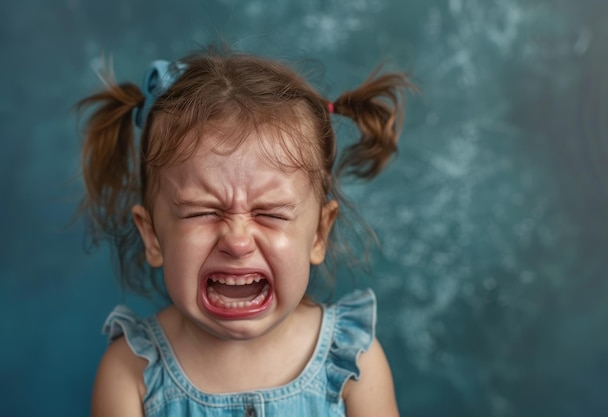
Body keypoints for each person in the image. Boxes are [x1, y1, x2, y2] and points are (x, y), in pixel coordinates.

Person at [78, 43, 414, 417]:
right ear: (153, 236)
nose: (237, 241)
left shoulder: (354, 362)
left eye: (270, 213)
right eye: (202, 212)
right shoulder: (129, 372)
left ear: (319, 234)